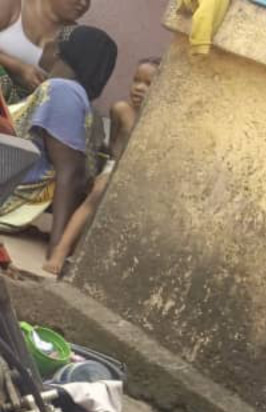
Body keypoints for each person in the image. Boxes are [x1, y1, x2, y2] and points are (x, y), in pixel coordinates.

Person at [0, 25, 114, 276]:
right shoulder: (81, 104)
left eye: (53, 41)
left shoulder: (63, 91)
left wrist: (57, 246)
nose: (46, 43)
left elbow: (70, 172)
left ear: (63, 52)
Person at [38, 56, 156, 276]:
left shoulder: (159, 122)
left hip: (139, 175)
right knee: (97, 194)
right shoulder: (121, 109)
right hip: (115, 168)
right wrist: (107, 172)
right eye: (136, 80)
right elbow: (114, 145)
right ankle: (60, 251)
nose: (139, 88)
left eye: (149, 84)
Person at [0, 0, 89, 104]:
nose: (83, 4)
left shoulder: (74, 37)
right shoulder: (13, 5)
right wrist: (20, 68)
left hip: (24, 105)